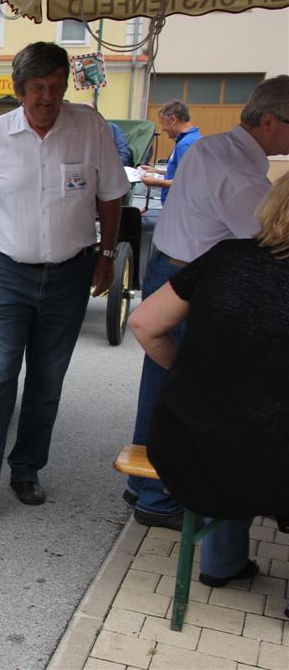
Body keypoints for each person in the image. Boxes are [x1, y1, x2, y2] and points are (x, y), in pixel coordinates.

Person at [0, 42, 129, 519]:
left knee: (48, 380)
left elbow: (112, 196)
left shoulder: (90, 129)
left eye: (55, 87)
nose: (47, 98)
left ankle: (26, 469)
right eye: (37, 89)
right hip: (9, 272)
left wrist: (106, 255)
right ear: (19, 91)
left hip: (71, 272)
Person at [126, 74, 289, 529]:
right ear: (271, 121)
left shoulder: (210, 146)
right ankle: (160, 499)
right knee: (187, 389)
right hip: (193, 278)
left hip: (170, 262)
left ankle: (144, 487)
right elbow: (269, 248)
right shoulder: (241, 177)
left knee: (160, 384)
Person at [128, 173, 289, 613]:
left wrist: (190, 372)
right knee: (262, 437)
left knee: (236, 431)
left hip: (187, 442)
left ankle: (220, 563)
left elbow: (143, 324)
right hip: (273, 458)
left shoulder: (226, 255)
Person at [138, 100, 202, 203]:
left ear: (173, 119)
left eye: (163, 123)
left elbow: (188, 181)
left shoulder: (185, 144)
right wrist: (157, 171)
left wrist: (158, 182)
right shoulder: (193, 139)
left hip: (179, 207)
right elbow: (183, 171)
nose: (163, 129)